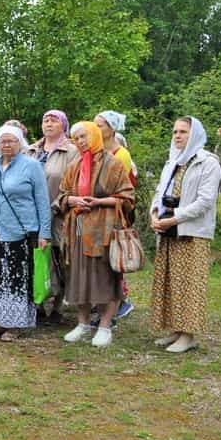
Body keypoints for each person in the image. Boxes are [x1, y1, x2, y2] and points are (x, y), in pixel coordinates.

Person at [54, 121, 135, 348]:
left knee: (105, 277)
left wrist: (99, 202)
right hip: (78, 229)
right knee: (79, 275)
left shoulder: (113, 164)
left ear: (95, 136)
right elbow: (61, 196)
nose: (80, 142)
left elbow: (128, 197)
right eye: (76, 138)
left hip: (104, 229)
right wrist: (72, 199)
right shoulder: (75, 165)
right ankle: (83, 324)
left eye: (84, 136)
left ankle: (105, 326)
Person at [150, 117, 221, 353]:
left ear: (195, 134)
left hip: (192, 232)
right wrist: (154, 214)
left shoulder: (208, 162)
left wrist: (175, 217)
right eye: (175, 132)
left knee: (190, 284)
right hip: (169, 230)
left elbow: (205, 201)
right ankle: (176, 330)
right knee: (171, 282)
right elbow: (160, 192)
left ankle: (189, 335)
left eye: (183, 132)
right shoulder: (173, 161)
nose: (177, 136)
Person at [0, 125, 51, 342]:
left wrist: (44, 233)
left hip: (21, 231)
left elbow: (42, 201)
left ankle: (16, 324)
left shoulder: (32, 166)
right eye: (2, 141)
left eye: (11, 141)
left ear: (20, 142)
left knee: (17, 278)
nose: (6, 145)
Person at [25, 110, 78, 324]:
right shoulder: (31, 150)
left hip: (58, 214)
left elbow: (73, 183)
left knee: (59, 258)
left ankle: (57, 305)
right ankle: (37, 303)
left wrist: (56, 206)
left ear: (63, 125)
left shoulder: (71, 151)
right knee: (35, 258)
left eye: (53, 120)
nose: (48, 123)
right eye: (45, 120)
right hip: (30, 215)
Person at [94, 110, 137, 320]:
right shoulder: (95, 151)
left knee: (112, 260)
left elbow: (118, 187)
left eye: (100, 125)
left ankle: (118, 303)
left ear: (111, 129)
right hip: (95, 214)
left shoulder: (121, 155)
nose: (95, 129)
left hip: (113, 214)